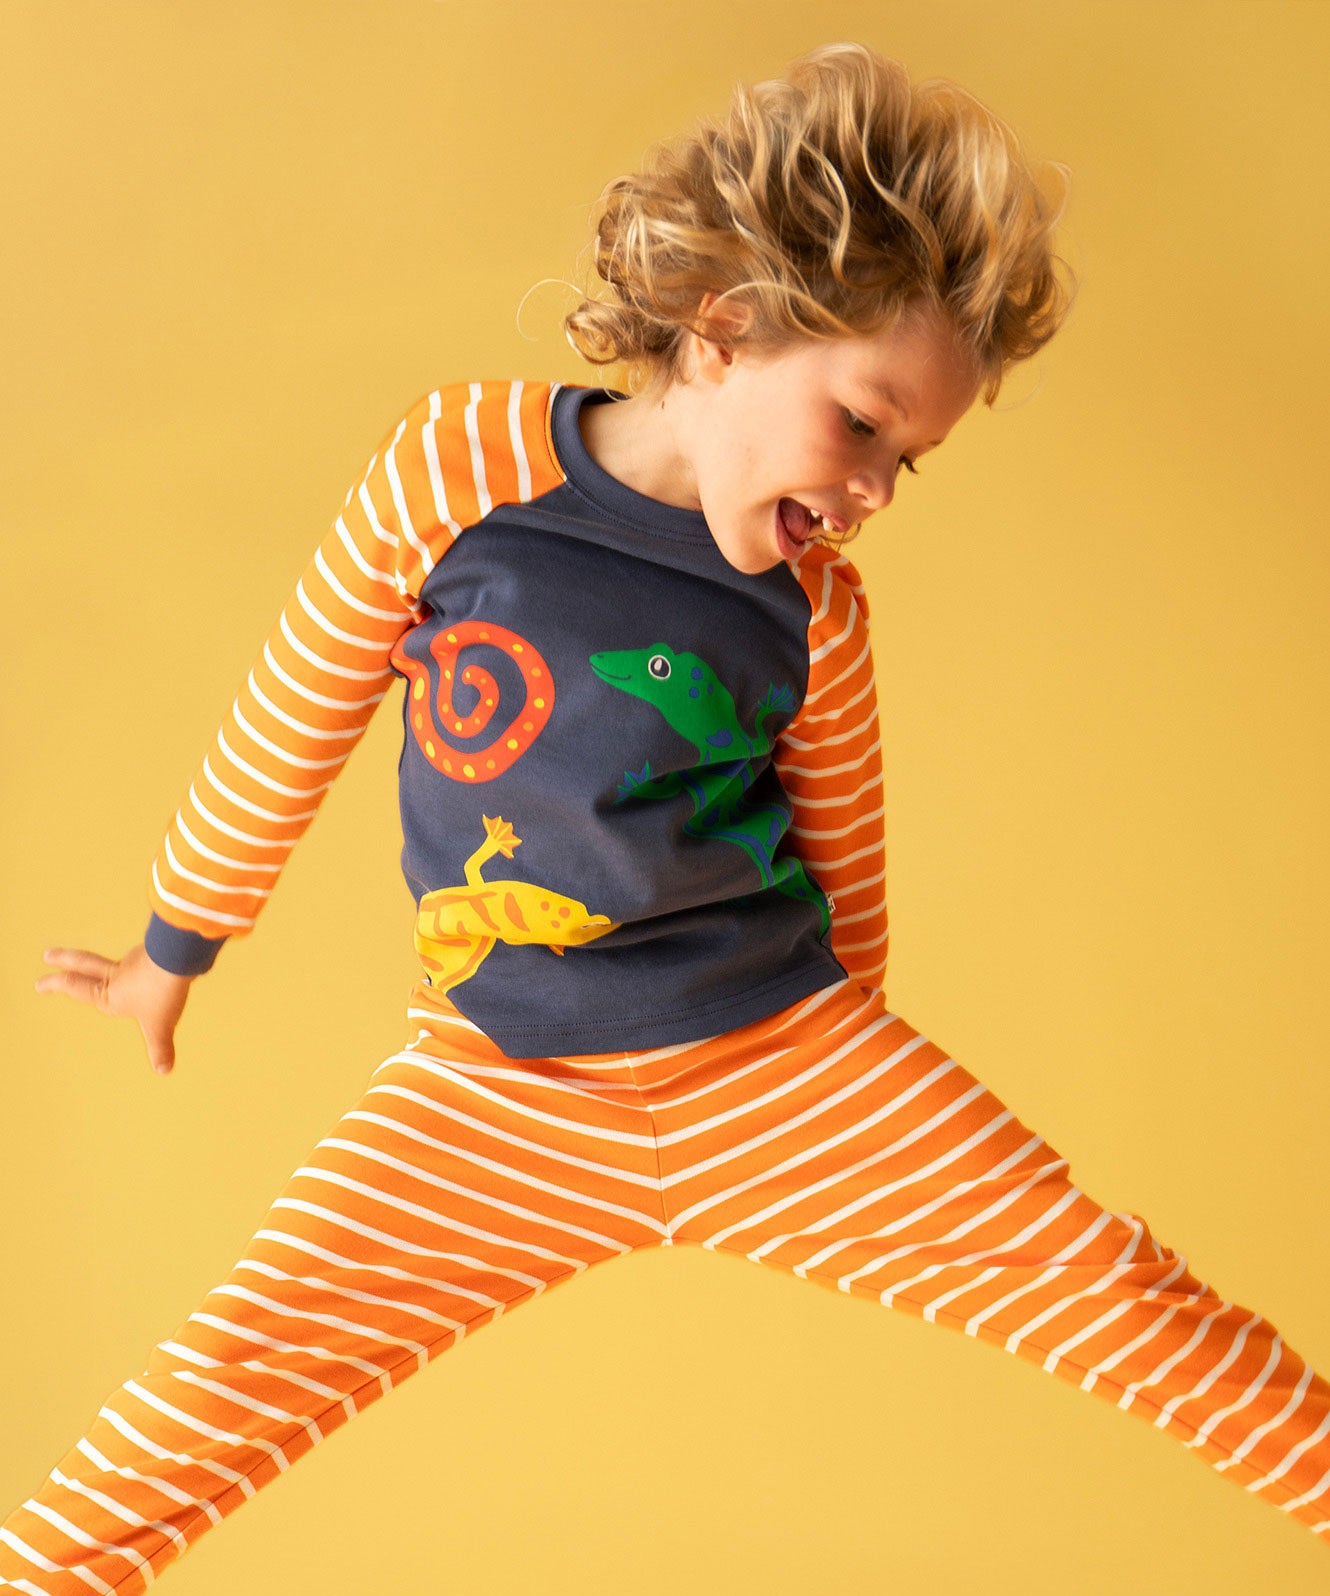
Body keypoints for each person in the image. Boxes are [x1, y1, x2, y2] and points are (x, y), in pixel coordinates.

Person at [7, 40, 1328, 1593]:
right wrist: (174, 948)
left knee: (1124, 1297)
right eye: (861, 424)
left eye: (908, 463)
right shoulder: (456, 472)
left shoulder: (814, 620)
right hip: (494, 1082)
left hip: (777, 1064)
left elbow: (847, 881)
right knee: (208, 1400)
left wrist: (852, 1115)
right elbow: (294, 710)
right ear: (724, 327)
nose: (874, 493)